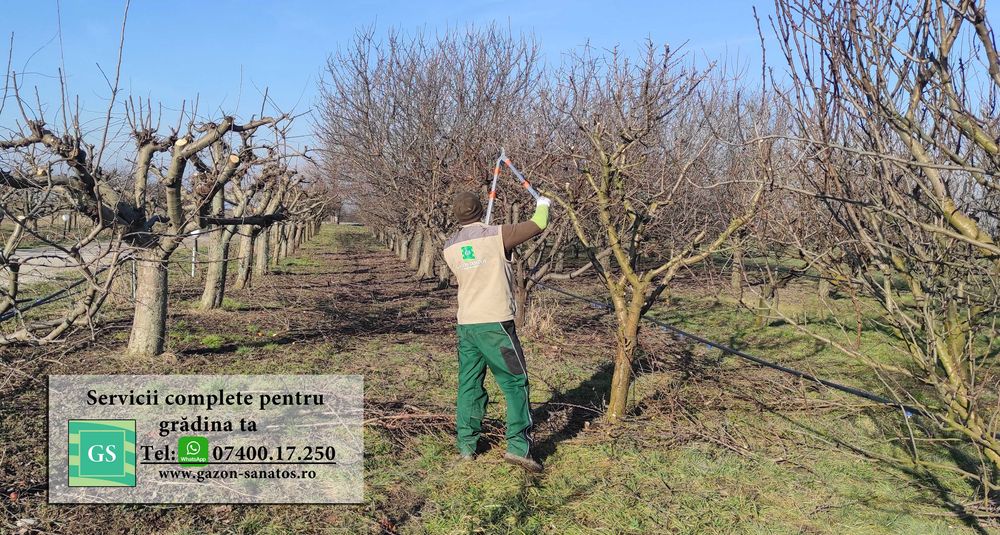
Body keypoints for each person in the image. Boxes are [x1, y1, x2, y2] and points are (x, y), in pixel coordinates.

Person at [442, 190, 551, 473]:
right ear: (481, 210)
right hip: (496, 326)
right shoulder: (498, 235)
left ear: (457, 216)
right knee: (515, 383)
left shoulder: (449, 246)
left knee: (469, 385)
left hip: (467, 325)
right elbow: (539, 223)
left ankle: (466, 446)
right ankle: (518, 447)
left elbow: (477, 257)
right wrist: (543, 203)